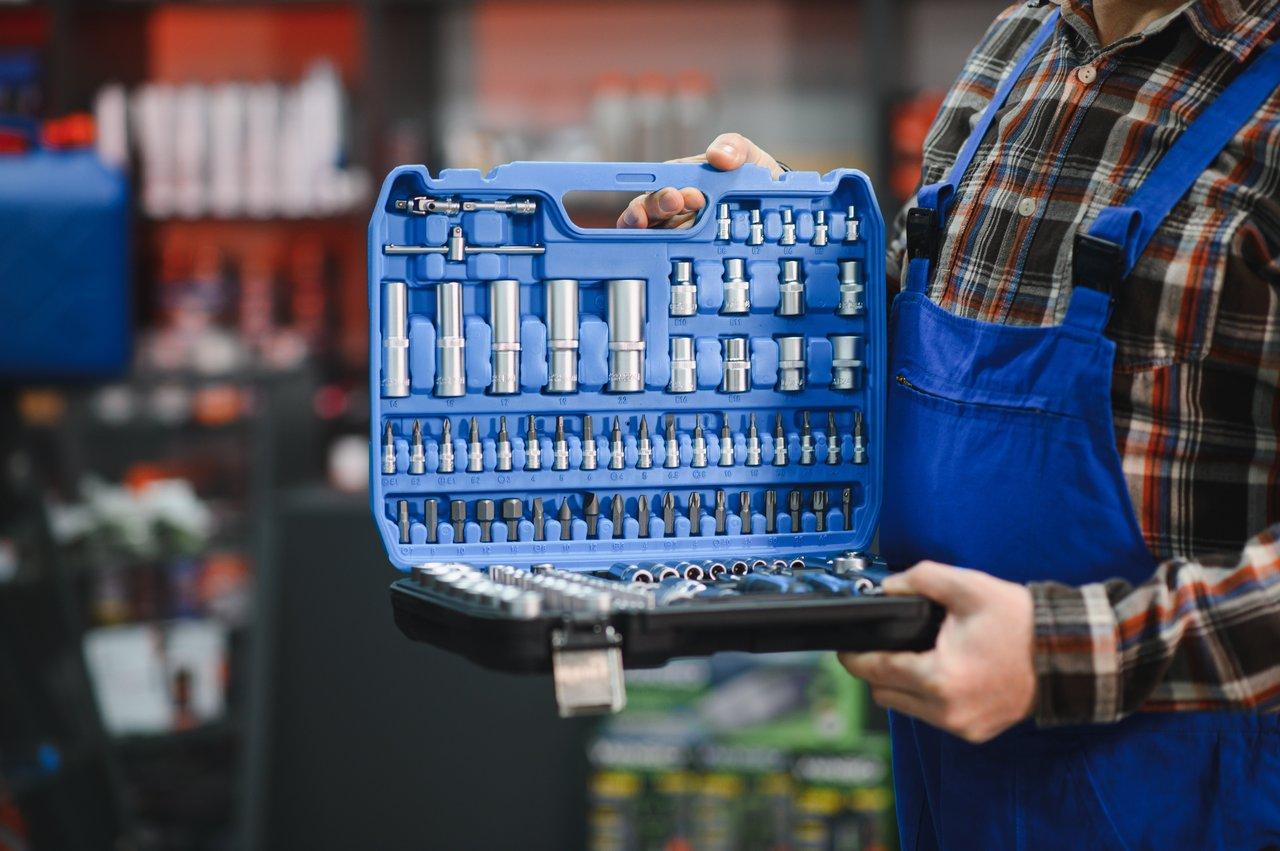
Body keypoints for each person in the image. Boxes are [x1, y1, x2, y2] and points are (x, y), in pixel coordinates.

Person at [620, 1, 1280, 846]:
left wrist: (1062, 656)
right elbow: (912, 342)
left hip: (1191, 794)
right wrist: (777, 242)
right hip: (952, 773)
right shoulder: (1020, 42)